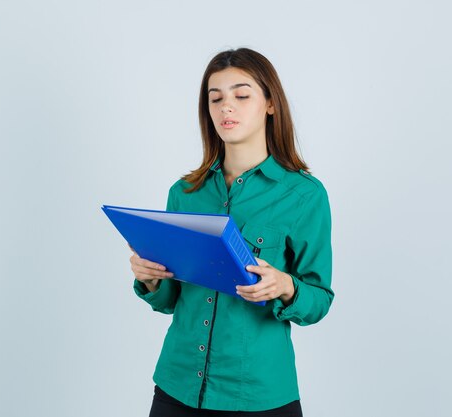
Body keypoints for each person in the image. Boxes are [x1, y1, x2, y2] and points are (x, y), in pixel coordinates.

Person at [129, 47, 334, 417]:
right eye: (216, 98)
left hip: (257, 394)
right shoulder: (184, 193)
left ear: (270, 104)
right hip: (177, 387)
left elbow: (319, 300)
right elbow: (172, 299)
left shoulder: (304, 195)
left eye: (241, 95)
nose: (227, 107)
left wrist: (286, 286)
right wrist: (151, 281)